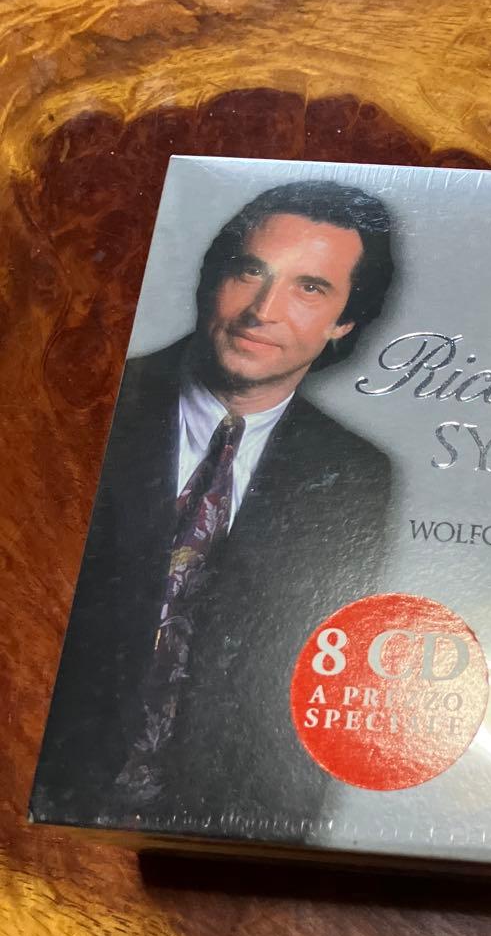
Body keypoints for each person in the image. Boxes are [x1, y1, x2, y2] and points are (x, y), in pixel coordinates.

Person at [31, 180, 396, 830]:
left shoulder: (355, 476)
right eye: (250, 272)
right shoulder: (84, 401)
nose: (263, 310)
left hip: (209, 828)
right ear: (210, 282)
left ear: (345, 323)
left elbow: (303, 698)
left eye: (309, 288)